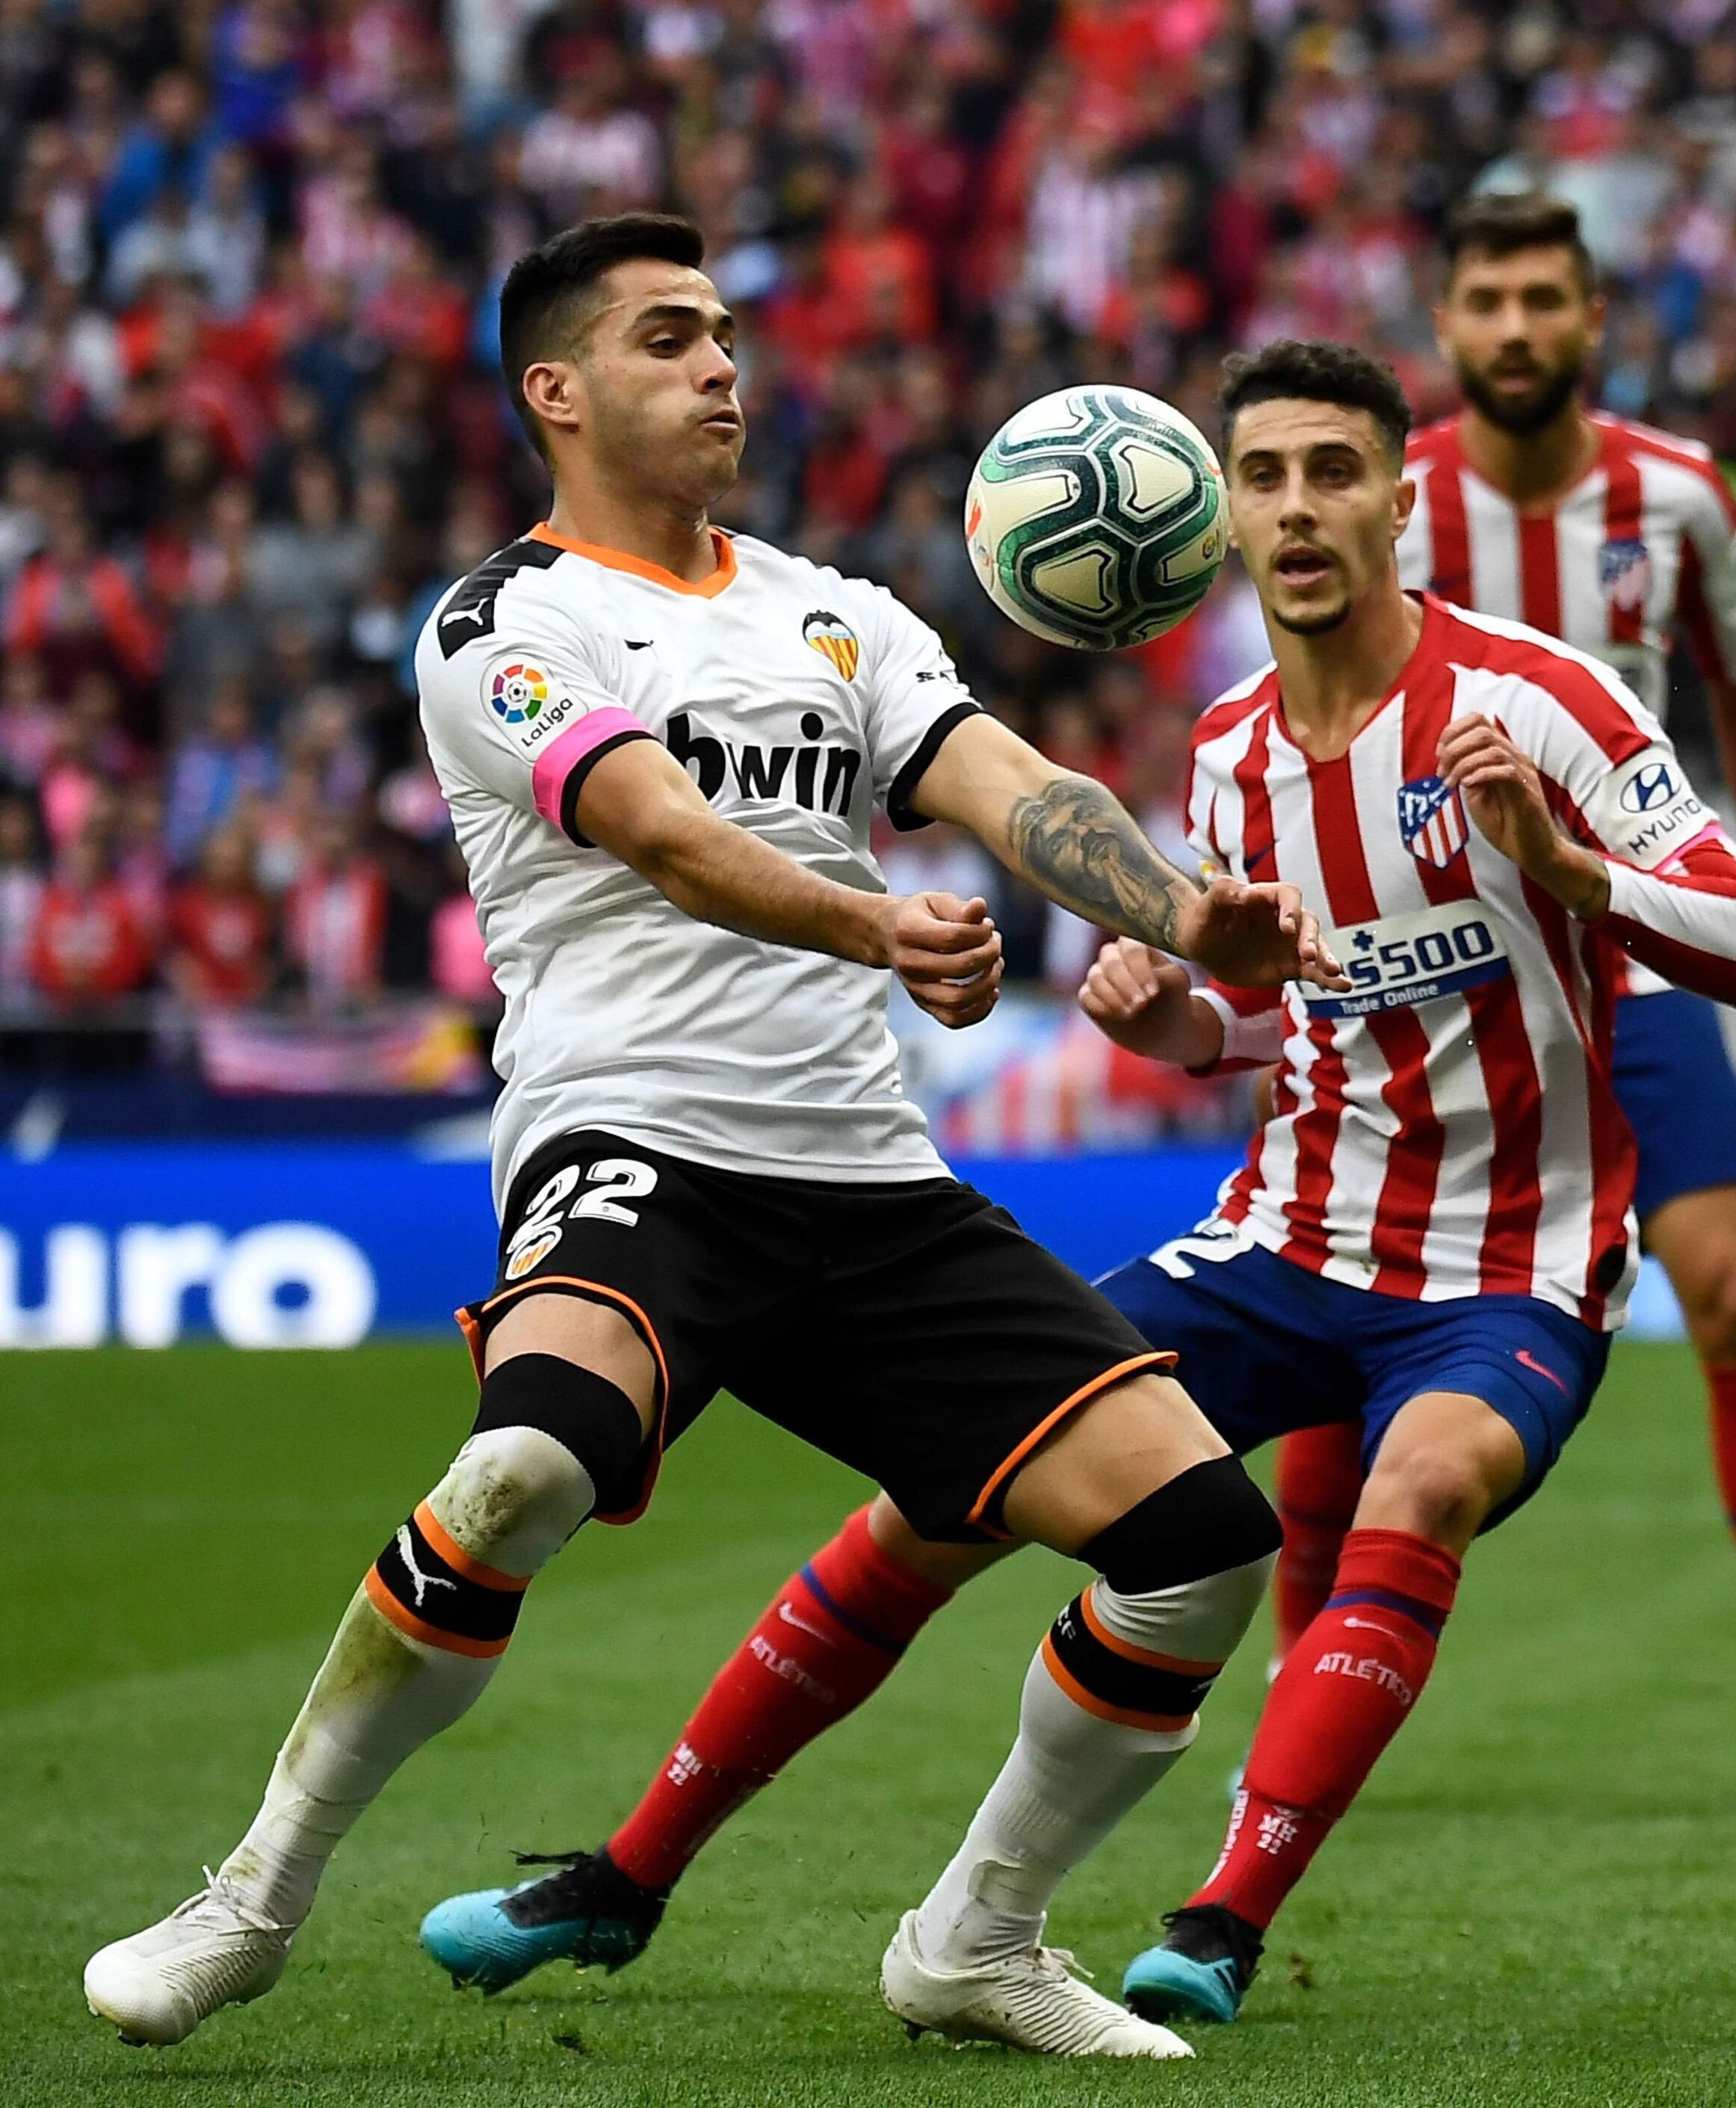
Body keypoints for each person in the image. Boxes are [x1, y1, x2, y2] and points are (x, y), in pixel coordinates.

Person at [413, 338, 1736, 2039]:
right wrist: (1190, 1028)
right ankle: (624, 1877)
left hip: (1512, 1261)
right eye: (1264, 476)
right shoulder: (1229, 752)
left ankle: (1220, 1917)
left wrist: (1571, 872)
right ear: (1219, 516)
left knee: (1422, 1483)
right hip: (1284, 1239)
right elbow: (1313, 1012)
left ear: (1400, 501)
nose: (1298, 507)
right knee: (940, 1498)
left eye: (1336, 472)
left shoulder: (1539, 702)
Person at [80, 215, 1347, 2059]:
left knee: (1201, 1543)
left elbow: (1012, 783)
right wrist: (878, 924)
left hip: (865, 1177)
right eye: (670, 337)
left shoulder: (838, 612)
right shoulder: (503, 624)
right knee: (524, 1470)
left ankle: (975, 1941)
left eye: (727, 334)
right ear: (557, 388)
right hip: (634, 1144)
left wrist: (1177, 905)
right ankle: (250, 1897)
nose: (721, 366)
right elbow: (662, 831)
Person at [1376, 193, 1736, 1804]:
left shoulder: (1677, 494)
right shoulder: (1387, 501)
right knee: (1356, 1307)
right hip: (1431, 961)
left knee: (1732, 1288)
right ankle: (1301, 1663)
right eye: (1487, 301)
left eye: (1545, 298)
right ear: (1447, 323)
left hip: (1629, 941)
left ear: (1594, 318)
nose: (1516, 327)